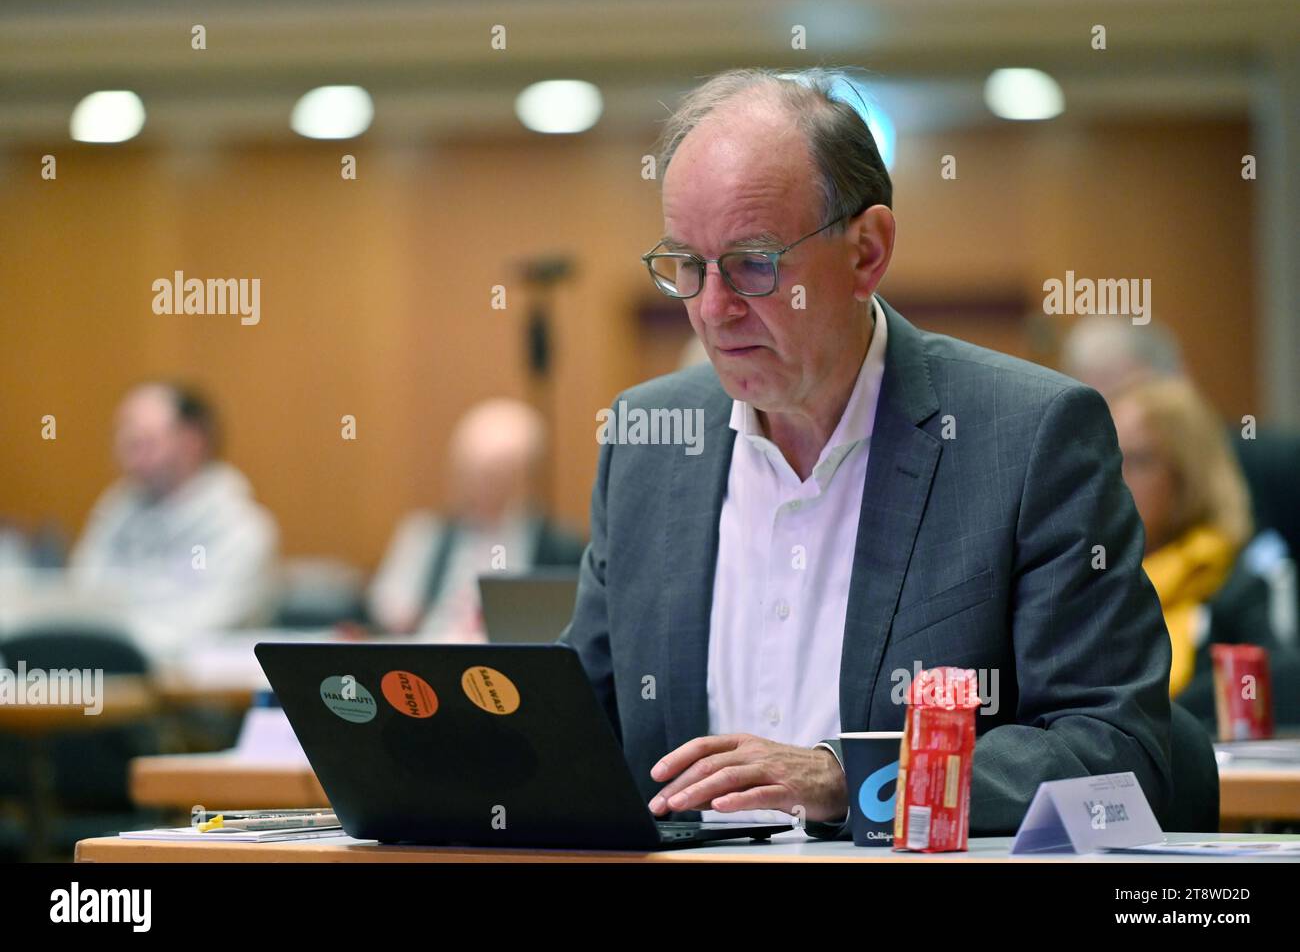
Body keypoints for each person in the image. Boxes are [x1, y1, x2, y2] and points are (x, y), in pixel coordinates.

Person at [560, 67, 1182, 837]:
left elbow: (1117, 755)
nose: (712, 310)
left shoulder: (1028, 437)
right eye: (687, 267)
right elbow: (580, 723)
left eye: (754, 264)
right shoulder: (648, 440)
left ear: (867, 252)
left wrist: (851, 780)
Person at [1111, 377, 1299, 724]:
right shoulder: (1097, 576)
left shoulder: (1236, 580)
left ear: (1187, 475)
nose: (1117, 479)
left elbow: (1279, 688)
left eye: (1137, 460)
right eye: (1111, 459)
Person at [69, 382, 278, 636]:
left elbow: (205, 624)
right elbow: (80, 598)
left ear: (191, 442)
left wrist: (121, 628)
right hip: (111, 665)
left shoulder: (242, 529)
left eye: (143, 443)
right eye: (122, 442)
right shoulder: (116, 510)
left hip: (199, 673)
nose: (128, 459)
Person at [368, 398, 584, 639]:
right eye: (471, 471)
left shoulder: (559, 546)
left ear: (524, 475)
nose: (482, 485)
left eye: (497, 474)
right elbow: (389, 610)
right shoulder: (426, 535)